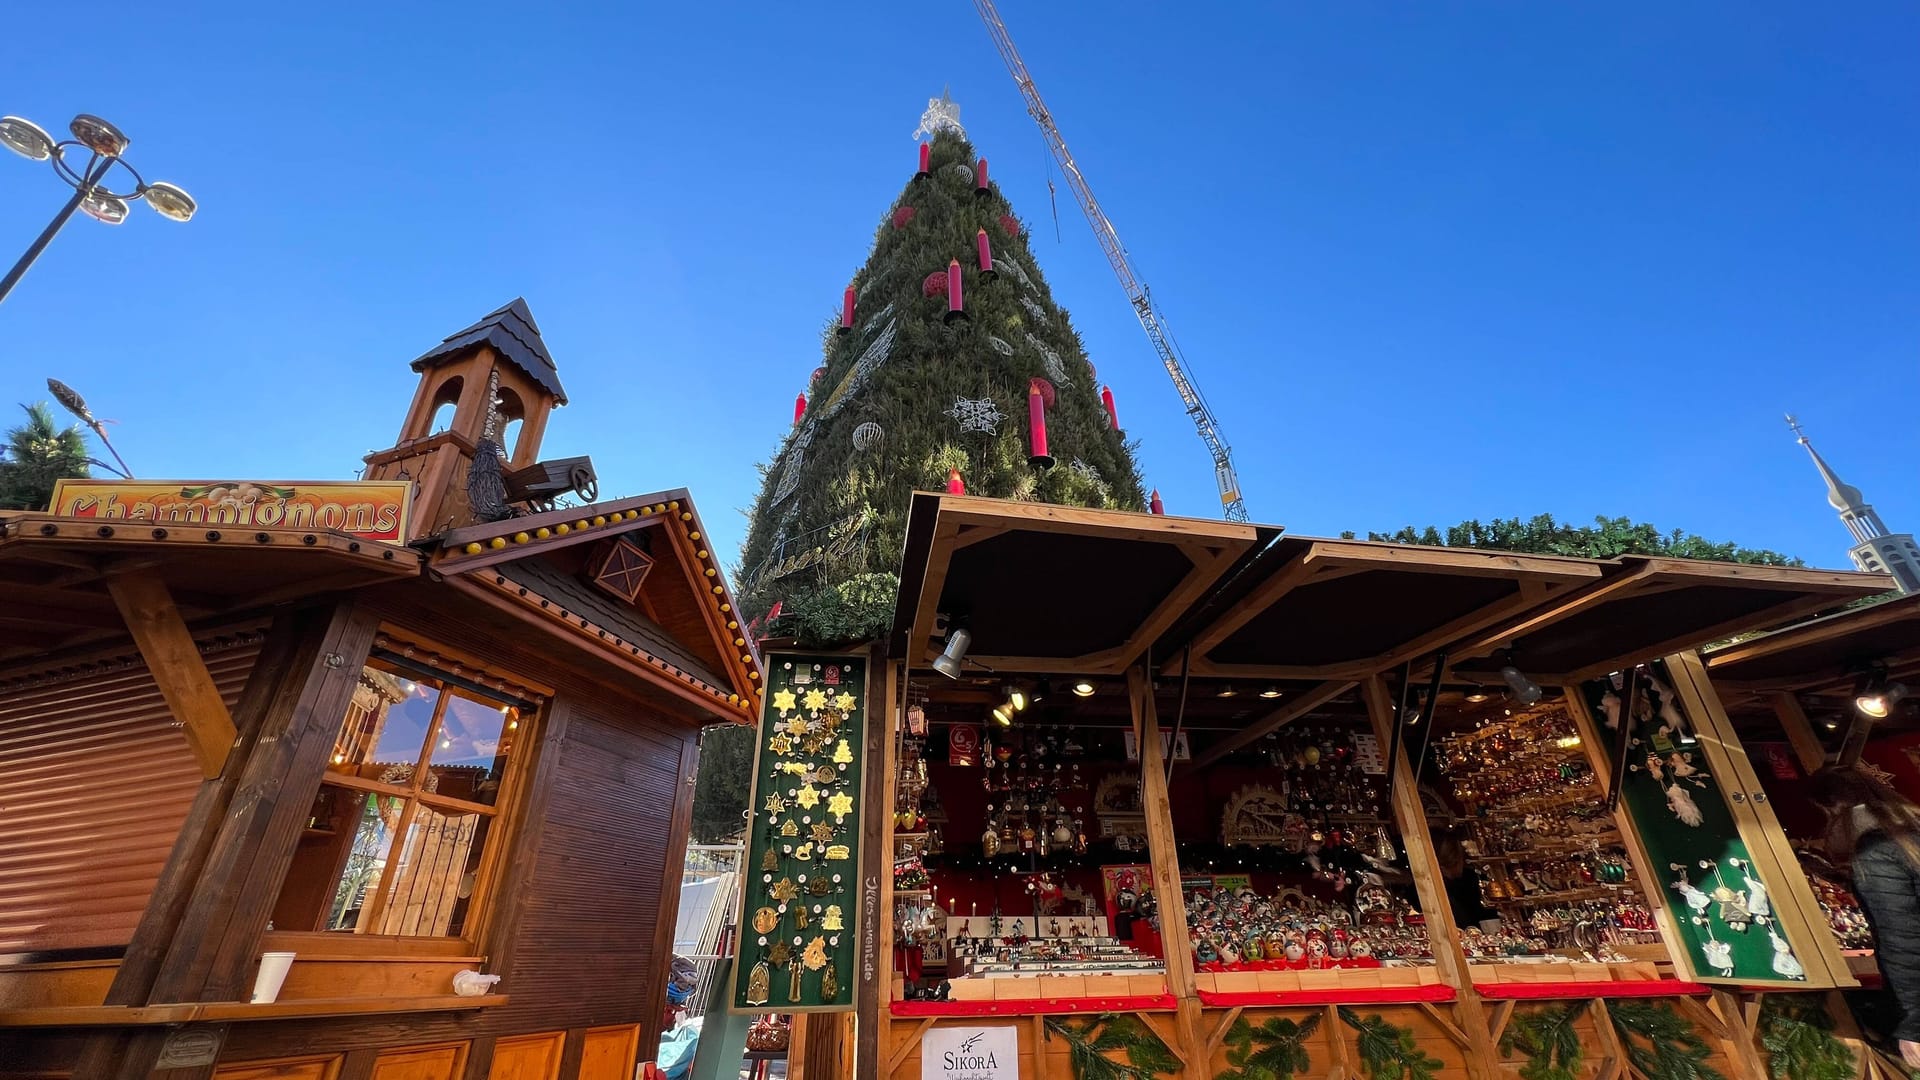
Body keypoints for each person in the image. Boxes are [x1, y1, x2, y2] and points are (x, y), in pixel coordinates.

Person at [1809, 765, 1920, 1069]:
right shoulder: (1910, 830)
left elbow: (1905, 940)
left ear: (1834, 809)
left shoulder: (1877, 850)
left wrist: (1913, 1025)